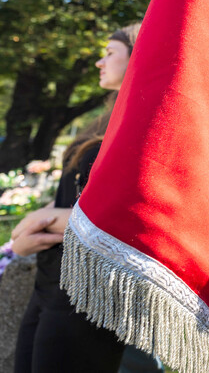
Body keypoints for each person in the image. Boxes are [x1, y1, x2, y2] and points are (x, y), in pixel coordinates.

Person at [13, 24, 141, 373]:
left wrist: (43, 220)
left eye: (110, 53)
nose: (100, 62)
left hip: (87, 294)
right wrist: (24, 239)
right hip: (48, 282)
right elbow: (70, 199)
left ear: (137, 55)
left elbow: (129, 212)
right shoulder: (103, 121)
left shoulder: (143, 121)